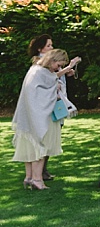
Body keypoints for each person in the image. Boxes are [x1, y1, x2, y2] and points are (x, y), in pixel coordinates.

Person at [12, 49, 77, 190]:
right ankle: (37, 179)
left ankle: (29, 177)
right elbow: (41, 93)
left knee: (31, 147)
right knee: (41, 145)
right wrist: (55, 88)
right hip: (38, 116)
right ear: (53, 60)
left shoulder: (36, 70)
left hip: (30, 115)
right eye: (58, 65)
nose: (58, 69)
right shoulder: (40, 72)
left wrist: (62, 75)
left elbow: (44, 85)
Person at [27, 34, 71, 182]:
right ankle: (37, 175)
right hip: (46, 107)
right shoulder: (40, 64)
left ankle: (37, 174)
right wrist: (68, 68)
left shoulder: (50, 63)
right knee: (43, 139)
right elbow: (47, 81)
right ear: (40, 49)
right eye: (48, 45)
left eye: (52, 45)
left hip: (55, 102)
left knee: (50, 138)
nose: (51, 48)